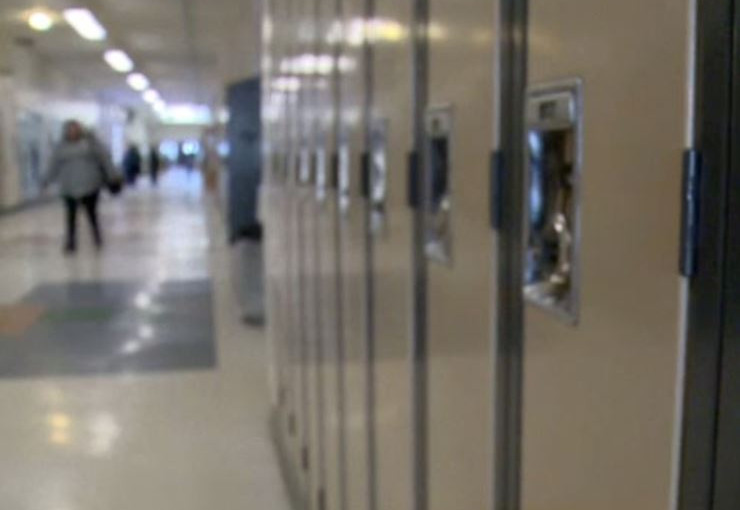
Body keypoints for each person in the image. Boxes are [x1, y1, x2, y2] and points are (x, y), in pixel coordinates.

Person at [44, 120, 118, 254]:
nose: (72, 132)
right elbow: (53, 165)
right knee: (70, 215)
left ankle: (96, 237)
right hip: (68, 186)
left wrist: (112, 175)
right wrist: (46, 179)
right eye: (70, 130)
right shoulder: (61, 147)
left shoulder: (91, 144)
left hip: (90, 185)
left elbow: (105, 160)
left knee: (91, 213)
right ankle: (71, 242)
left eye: (75, 129)